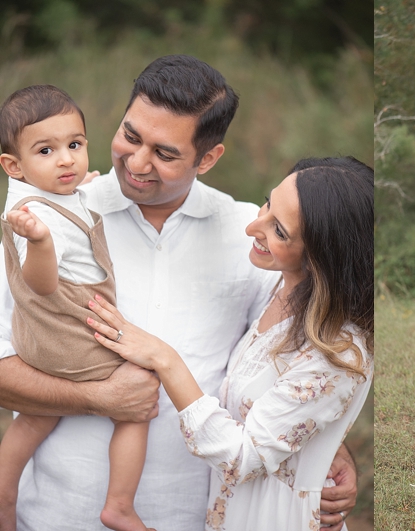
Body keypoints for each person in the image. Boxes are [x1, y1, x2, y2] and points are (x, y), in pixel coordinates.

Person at [0, 55, 358, 531]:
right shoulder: (48, 217)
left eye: (165, 153)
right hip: (55, 515)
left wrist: (327, 447)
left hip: (194, 516)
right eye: (130, 136)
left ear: (208, 158)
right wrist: (100, 397)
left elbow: (281, 363)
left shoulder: (251, 236)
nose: (137, 162)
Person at [86, 156, 374, 530]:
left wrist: (164, 359)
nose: (253, 226)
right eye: (268, 203)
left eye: (279, 231)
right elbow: (286, 414)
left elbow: (243, 456)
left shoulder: (337, 352)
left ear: (322, 256)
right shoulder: (282, 291)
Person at [0, 85, 150, 531]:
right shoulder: (36, 223)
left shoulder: (38, 195)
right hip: (69, 333)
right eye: (46, 150)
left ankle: (5, 493)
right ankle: (120, 505)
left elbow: (66, 199)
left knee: (35, 416)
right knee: (138, 399)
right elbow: (40, 284)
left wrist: (79, 189)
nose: (66, 160)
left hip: (38, 339)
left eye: (75, 145)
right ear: (14, 166)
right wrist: (41, 243)